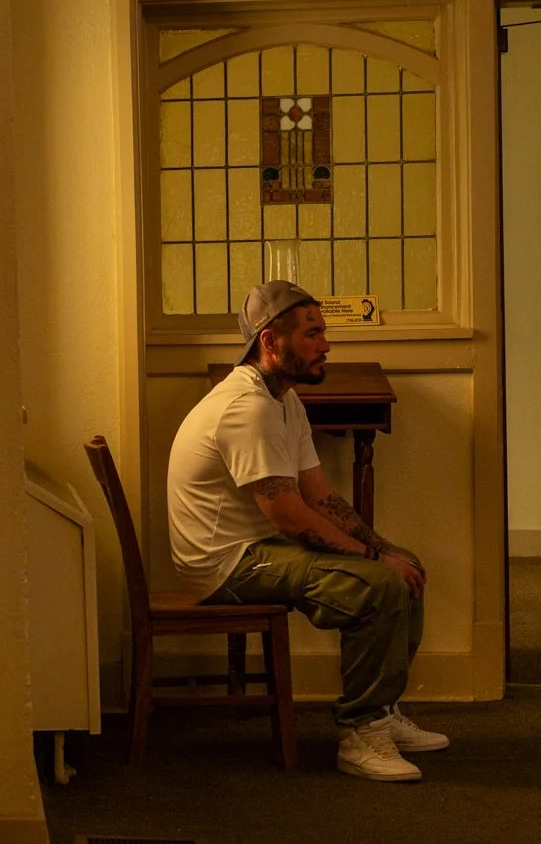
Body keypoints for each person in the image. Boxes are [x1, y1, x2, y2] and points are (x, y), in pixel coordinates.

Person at [167, 279, 449, 782]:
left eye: (323, 333)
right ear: (270, 341)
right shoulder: (246, 407)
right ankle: (360, 734)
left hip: (259, 547)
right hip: (223, 563)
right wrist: (374, 562)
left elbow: (320, 496)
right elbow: (289, 516)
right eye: (312, 334)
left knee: (405, 566)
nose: (325, 345)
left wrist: (383, 549)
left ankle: (379, 711)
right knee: (379, 585)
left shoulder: (283, 400)